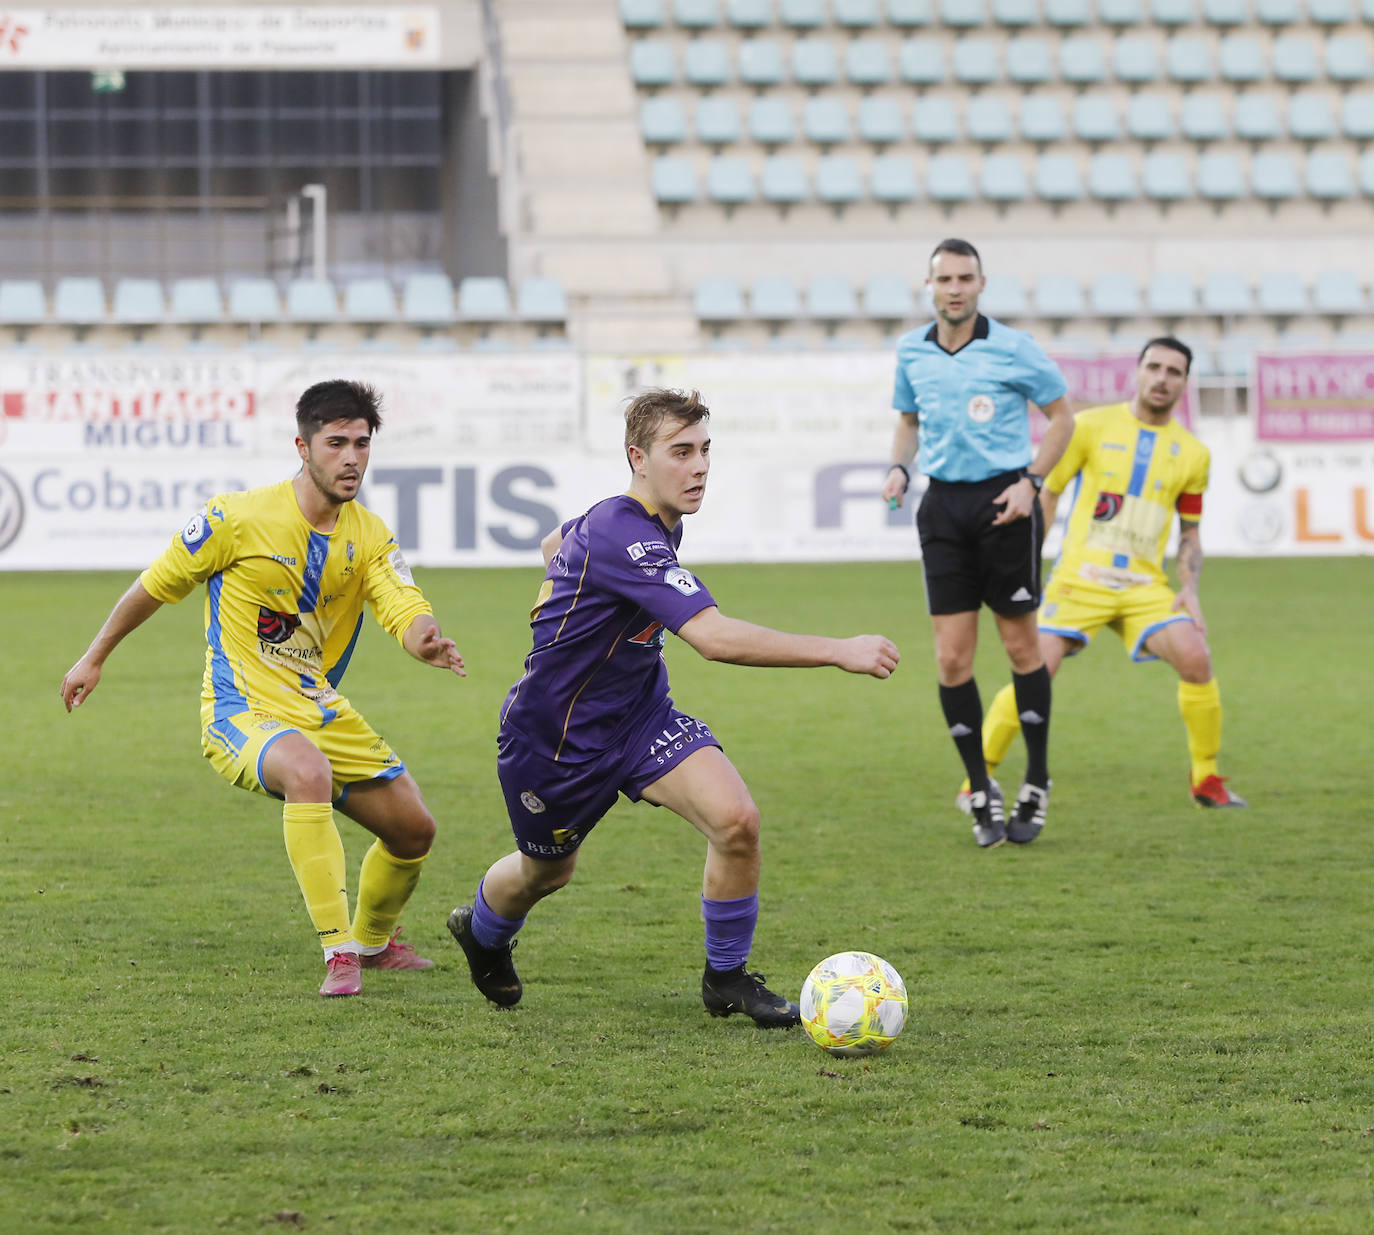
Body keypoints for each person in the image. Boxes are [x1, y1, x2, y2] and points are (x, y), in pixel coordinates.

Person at [447, 387, 900, 1027]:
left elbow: (555, 542)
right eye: (681, 452)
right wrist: (838, 649)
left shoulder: (647, 522)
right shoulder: (622, 532)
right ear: (638, 456)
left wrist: (566, 586)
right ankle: (482, 933)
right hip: (556, 741)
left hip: (639, 717)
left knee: (737, 820)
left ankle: (727, 979)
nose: (700, 467)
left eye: (705, 450)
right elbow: (712, 639)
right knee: (546, 872)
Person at [59, 380, 467, 998]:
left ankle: (374, 943)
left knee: (414, 830)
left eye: (361, 443)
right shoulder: (235, 519)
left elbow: (399, 603)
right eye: (336, 443)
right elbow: (153, 585)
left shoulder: (371, 535)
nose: (351, 457)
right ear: (302, 447)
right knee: (307, 771)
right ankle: (339, 955)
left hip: (319, 707)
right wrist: (94, 657)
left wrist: (424, 638)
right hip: (240, 712)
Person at [961, 337, 1247, 813]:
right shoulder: (1090, 427)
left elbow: (1191, 532)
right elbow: (1046, 497)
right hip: (1080, 579)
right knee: (1036, 672)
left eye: (1173, 371)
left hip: (1145, 588)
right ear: (1136, 372)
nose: (1161, 378)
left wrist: (1190, 589)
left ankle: (1207, 779)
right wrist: (1027, 570)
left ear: (1184, 382)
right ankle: (977, 778)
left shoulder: (1194, 454)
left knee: (1197, 658)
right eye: (1153, 367)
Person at [881, 238, 1074, 849]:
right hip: (942, 509)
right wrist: (899, 468)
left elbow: (1063, 417)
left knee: (1022, 648)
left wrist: (1033, 482)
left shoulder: (1015, 348)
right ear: (931, 286)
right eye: (945, 279)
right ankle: (980, 788)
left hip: (1005, 505)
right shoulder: (912, 349)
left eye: (966, 277)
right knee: (951, 660)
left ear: (982, 284)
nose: (955, 288)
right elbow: (909, 422)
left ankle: (1037, 779)